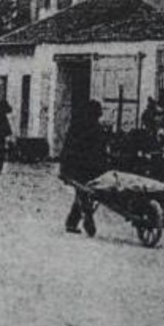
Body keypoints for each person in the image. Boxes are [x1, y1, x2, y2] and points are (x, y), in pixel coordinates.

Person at [59, 99, 108, 237]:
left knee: (82, 193)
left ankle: (72, 222)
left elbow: (68, 147)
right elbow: (100, 150)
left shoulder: (77, 126)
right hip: (83, 168)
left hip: (79, 167)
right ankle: (87, 219)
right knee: (83, 193)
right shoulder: (96, 129)